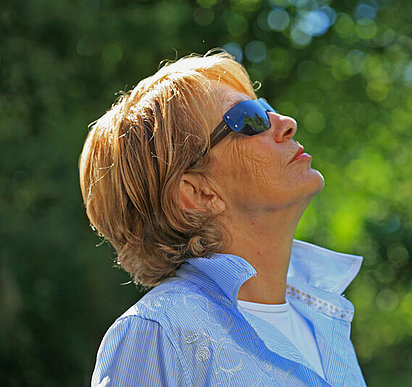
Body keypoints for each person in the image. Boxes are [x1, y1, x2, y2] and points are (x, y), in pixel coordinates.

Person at [80, 51, 366, 386]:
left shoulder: (322, 319)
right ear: (198, 193)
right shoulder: (159, 331)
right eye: (248, 119)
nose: (287, 123)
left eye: (267, 108)